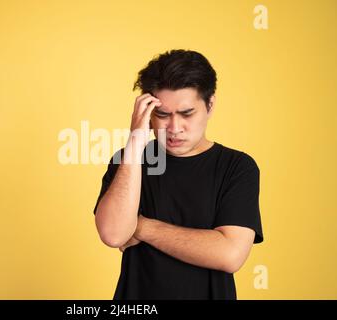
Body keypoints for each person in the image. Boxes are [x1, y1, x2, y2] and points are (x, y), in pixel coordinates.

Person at [93, 49, 263, 299]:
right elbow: (114, 233)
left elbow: (230, 255)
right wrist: (135, 142)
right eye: (162, 114)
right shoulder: (128, 161)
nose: (174, 128)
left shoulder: (237, 167)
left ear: (210, 105)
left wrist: (141, 226)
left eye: (186, 114)